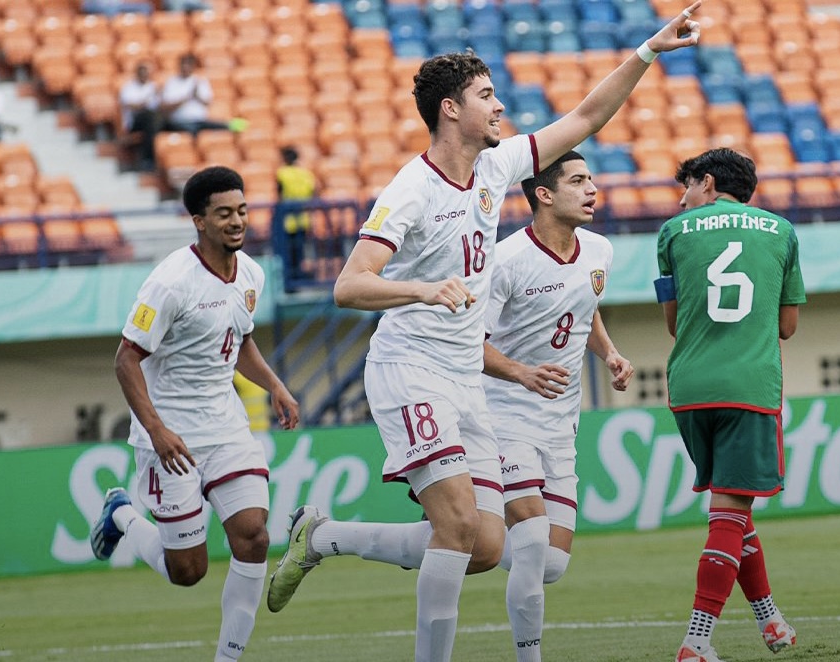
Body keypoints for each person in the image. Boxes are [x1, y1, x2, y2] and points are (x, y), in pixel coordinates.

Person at [265, 5, 702, 661]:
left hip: (464, 378)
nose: (500, 107)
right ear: (450, 109)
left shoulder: (495, 170)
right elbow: (348, 286)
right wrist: (421, 288)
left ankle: (324, 536)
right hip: (410, 367)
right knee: (461, 524)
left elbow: (584, 119)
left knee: (484, 546)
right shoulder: (410, 191)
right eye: (486, 96)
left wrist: (645, 52)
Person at [91, 165, 301, 662]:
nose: (237, 221)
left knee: (253, 537)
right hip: (172, 437)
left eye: (242, 211)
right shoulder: (170, 282)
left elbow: (239, 340)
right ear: (198, 221)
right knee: (188, 571)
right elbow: (126, 359)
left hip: (227, 427)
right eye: (224, 213)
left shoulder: (251, 273)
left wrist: (273, 384)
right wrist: (156, 429)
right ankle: (122, 514)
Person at [482, 150, 634, 661]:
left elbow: (582, 311)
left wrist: (609, 352)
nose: (592, 188)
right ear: (543, 195)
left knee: (549, 563)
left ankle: (343, 538)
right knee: (528, 543)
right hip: (502, 414)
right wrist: (520, 372)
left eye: (591, 178)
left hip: (560, 422)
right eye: (577, 180)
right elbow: (467, 344)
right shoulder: (504, 261)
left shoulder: (599, 251)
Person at [654, 148, 805, 662]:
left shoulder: (673, 233)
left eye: (688, 186)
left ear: (710, 183)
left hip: (689, 388)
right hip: (749, 387)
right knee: (731, 509)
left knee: (732, 509)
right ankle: (697, 641)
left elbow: (674, 323)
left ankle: (770, 620)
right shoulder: (781, 232)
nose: (683, 198)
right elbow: (786, 328)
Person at [275, 145, 317, 289]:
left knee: (288, 253)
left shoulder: (282, 173)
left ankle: (290, 284)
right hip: (303, 219)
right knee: (300, 252)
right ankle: (300, 279)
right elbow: (312, 192)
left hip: (288, 220)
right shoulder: (306, 173)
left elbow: (279, 194)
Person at [160, 54, 230, 135]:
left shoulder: (200, 81)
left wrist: (197, 96)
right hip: (180, 121)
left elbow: (207, 103)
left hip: (200, 120)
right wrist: (186, 98)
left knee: (223, 128)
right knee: (192, 131)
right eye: (183, 64)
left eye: (189, 64)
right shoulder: (172, 82)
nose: (185, 67)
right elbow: (165, 107)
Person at [119, 61, 160, 172]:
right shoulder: (129, 87)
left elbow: (158, 106)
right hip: (134, 122)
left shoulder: (152, 86)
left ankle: (155, 160)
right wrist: (144, 104)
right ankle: (148, 159)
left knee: (153, 124)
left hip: (151, 121)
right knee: (148, 119)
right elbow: (131, 106)